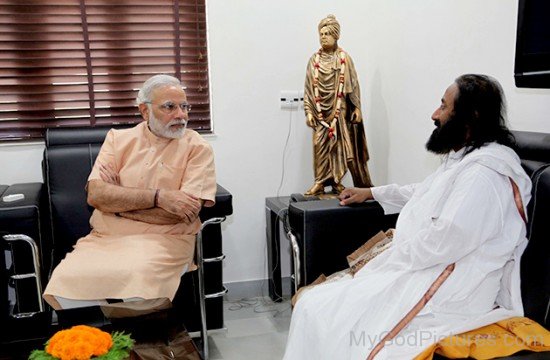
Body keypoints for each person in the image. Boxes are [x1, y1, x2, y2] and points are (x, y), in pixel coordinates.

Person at [284, 74, 532, 359]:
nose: (434, 114)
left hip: (453, 287)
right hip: (427, 265)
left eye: (443, 106)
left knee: (330, 314)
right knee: (316, 305)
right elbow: (426, 192)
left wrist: (389, 257)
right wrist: (373, 193)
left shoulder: (484, 175)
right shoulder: (466, 159)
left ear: (470, 116)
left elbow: (445, 242)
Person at [43, 74, 217, 310]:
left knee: (139, 281)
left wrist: (117, 207)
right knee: (66, 279)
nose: (181, 115)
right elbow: (95, 195)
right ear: (145, 111)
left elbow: (182, 213)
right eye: (170, 107)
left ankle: (144, 343)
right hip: (106, 239)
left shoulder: (198, 148)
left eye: (184, 106)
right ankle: (104, 343)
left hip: (166, 240)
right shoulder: (117, 140)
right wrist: (159, 198)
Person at [304, 14, 373, 196]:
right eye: (321, 33)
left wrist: (357, 108)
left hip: (339, 112)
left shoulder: (344, 59)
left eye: (327, 33)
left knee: (339, 148)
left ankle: (336, 181)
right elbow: (308, 89)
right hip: (320, 114)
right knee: (319, 146)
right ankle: (319, 181)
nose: (323, 37)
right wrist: (309, 111)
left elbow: (353, 85)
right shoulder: (314, 60)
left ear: (336, 36)